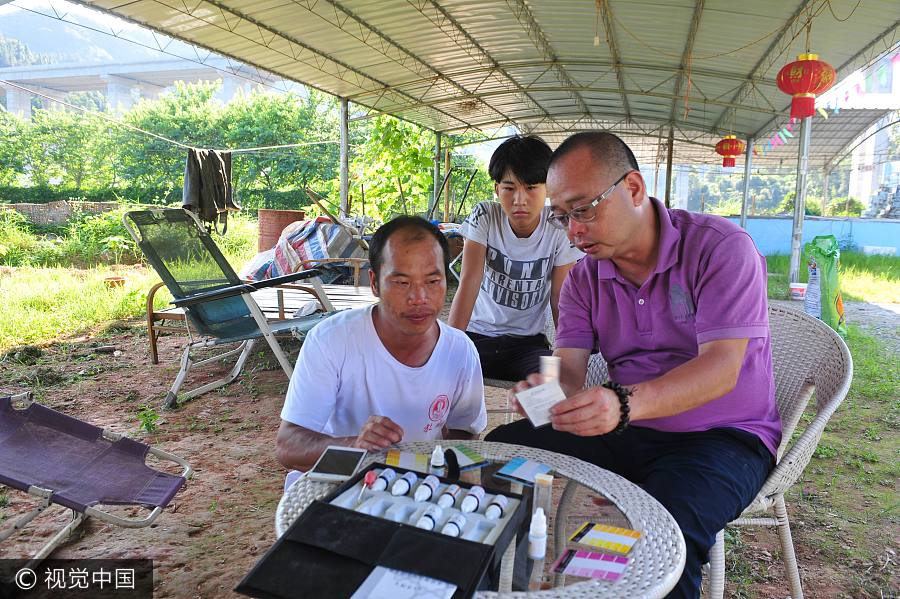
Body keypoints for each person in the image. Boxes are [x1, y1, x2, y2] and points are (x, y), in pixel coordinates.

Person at [485, 131, 781, 599]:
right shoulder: (584, 279)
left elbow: (722, 368)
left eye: (584, 210)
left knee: (662, 537)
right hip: (626, 427)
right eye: (561, 217)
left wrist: (623, 404)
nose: (573, 232)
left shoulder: (720, 248)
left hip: (723, 438)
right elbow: (568, 370)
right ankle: (512, 585)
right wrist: (543, 393)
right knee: (499, 456)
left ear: (634, 188)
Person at [276, 216, 487, 475]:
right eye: (402, 282)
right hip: (338, 483)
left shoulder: (460, 351)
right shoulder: (331, 340)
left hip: (415, 487)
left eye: (432, 281)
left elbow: (465, 432)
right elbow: (288, 446)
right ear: (375, 283)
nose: (419, 298)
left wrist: (438, 476)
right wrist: (354, 445)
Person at [448, 135, 582, 381]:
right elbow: (469, 282)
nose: (520, 200)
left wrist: (564, 356)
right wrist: (450, 346)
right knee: (445, 374)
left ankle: (532, 408)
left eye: (531, 188)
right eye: (509, 188)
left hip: (529, 345)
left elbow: (559, 299)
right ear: (496, 189)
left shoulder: (558, 227)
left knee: (553, 384)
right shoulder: (485, 215)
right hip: (477, 338)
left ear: (548, 188)